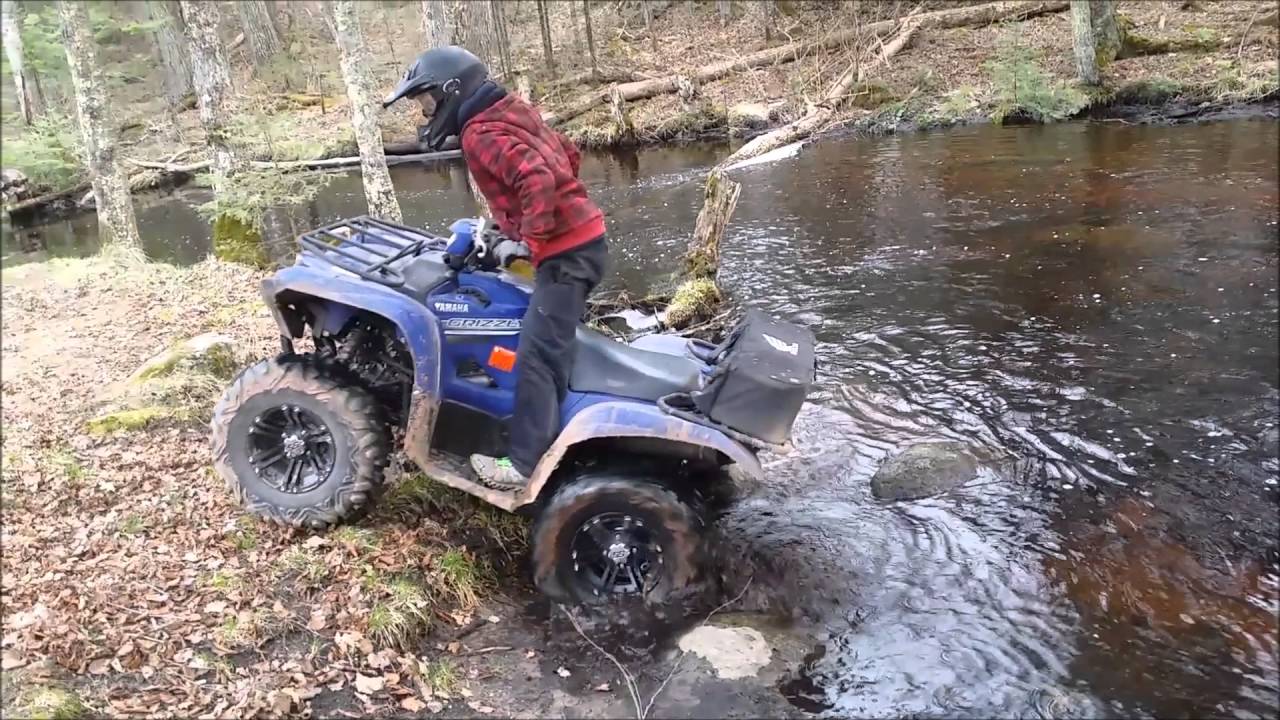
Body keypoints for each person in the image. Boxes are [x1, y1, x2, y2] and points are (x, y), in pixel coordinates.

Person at [383, 47, 608, 490]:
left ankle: (523, 465)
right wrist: (517, 228)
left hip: (566, 254)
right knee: (539, 330)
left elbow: (538, 179)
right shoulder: (510, 109)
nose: (426, 112)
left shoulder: (479, 133)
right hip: (583, 241)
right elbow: (567, 153)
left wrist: (532, 241)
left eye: (426, 101)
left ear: (451, 89)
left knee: (537, 355)